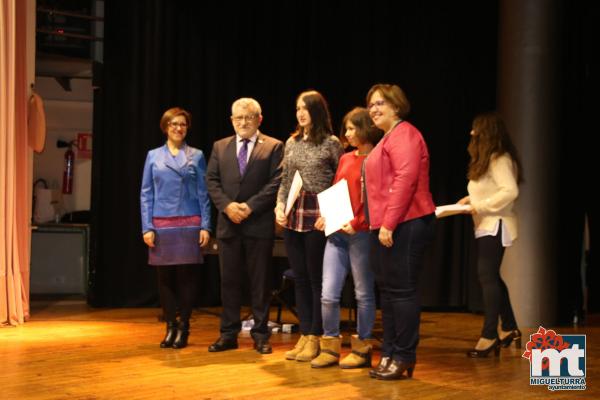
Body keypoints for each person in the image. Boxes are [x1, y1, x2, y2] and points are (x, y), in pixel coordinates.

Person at [363, 84, 436, 380]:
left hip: (406, 222)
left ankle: (404, 355)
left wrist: (389, 223)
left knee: (401, 292)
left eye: (380, 103)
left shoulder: (404, 133)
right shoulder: (386, 138)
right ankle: (390, 353)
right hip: (387, 225)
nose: (374, 109)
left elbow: (405, 180)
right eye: (371, 105)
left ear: (396, 105)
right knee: (389, 293)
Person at [206, 98, 284, 354]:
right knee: (228, 281)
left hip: (258, 225)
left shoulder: (274, 147)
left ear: (259, 119)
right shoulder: (220, 147)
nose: (243, 122)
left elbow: (276, 183)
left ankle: (261, 335)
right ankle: (228, 333)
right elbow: (212, 181)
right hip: (228, 225)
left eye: (248, 117)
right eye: (238, 118)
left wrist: (249, 207)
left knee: (260, 283)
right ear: (231, 120)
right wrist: (228, 206)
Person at [275, 90, 344, 362]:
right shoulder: (291, 142)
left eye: (305, 108)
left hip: (318, 213)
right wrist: (280, 207)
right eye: (297, 108)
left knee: (317, 279)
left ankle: (317, 335)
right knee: (300, 278)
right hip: (294, 211)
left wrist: (332, 214)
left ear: (317, 111)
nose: (300, 113)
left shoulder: (331, 143)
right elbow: (284, 180)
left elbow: (341, 182)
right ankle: (304, 334)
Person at [311, 108, 382, 369]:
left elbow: (374, 198)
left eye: (352, 128)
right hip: (337, 234)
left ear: (365, 128)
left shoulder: (376, 159)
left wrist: (357, 223)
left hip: (360, 234)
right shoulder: (346, 158)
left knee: (363, 293)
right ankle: (329, 347)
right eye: (347, 129)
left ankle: (362, 349)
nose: (348, 134)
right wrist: (325, 216)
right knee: (328, 293)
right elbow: (337, 190)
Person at [140, 107, 211, 349]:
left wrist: (206, 225)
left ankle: (184, 326)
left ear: (187, 128)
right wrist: (147, 227)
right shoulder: (153, 156)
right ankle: (170, 326)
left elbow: (204, 193)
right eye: (173, 124)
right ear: (165, 127)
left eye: (182, 124)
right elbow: (146, 193)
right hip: (161, 224)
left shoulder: (197, 155)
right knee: (165, 279)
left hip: (190, 222)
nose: (178, 128)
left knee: (187, 279)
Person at [457, 112, 522, 357]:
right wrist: (471, 200)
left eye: (476, 129)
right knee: (491, 276)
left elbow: (510, 191)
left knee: (486, 276)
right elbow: (491, 190)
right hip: (486, 224)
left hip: (496, 223)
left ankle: (489, 335)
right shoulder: (489, 160)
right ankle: (510, 327)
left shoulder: (499, 158)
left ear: (486, 132)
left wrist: (481, 205)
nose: (472, 133)